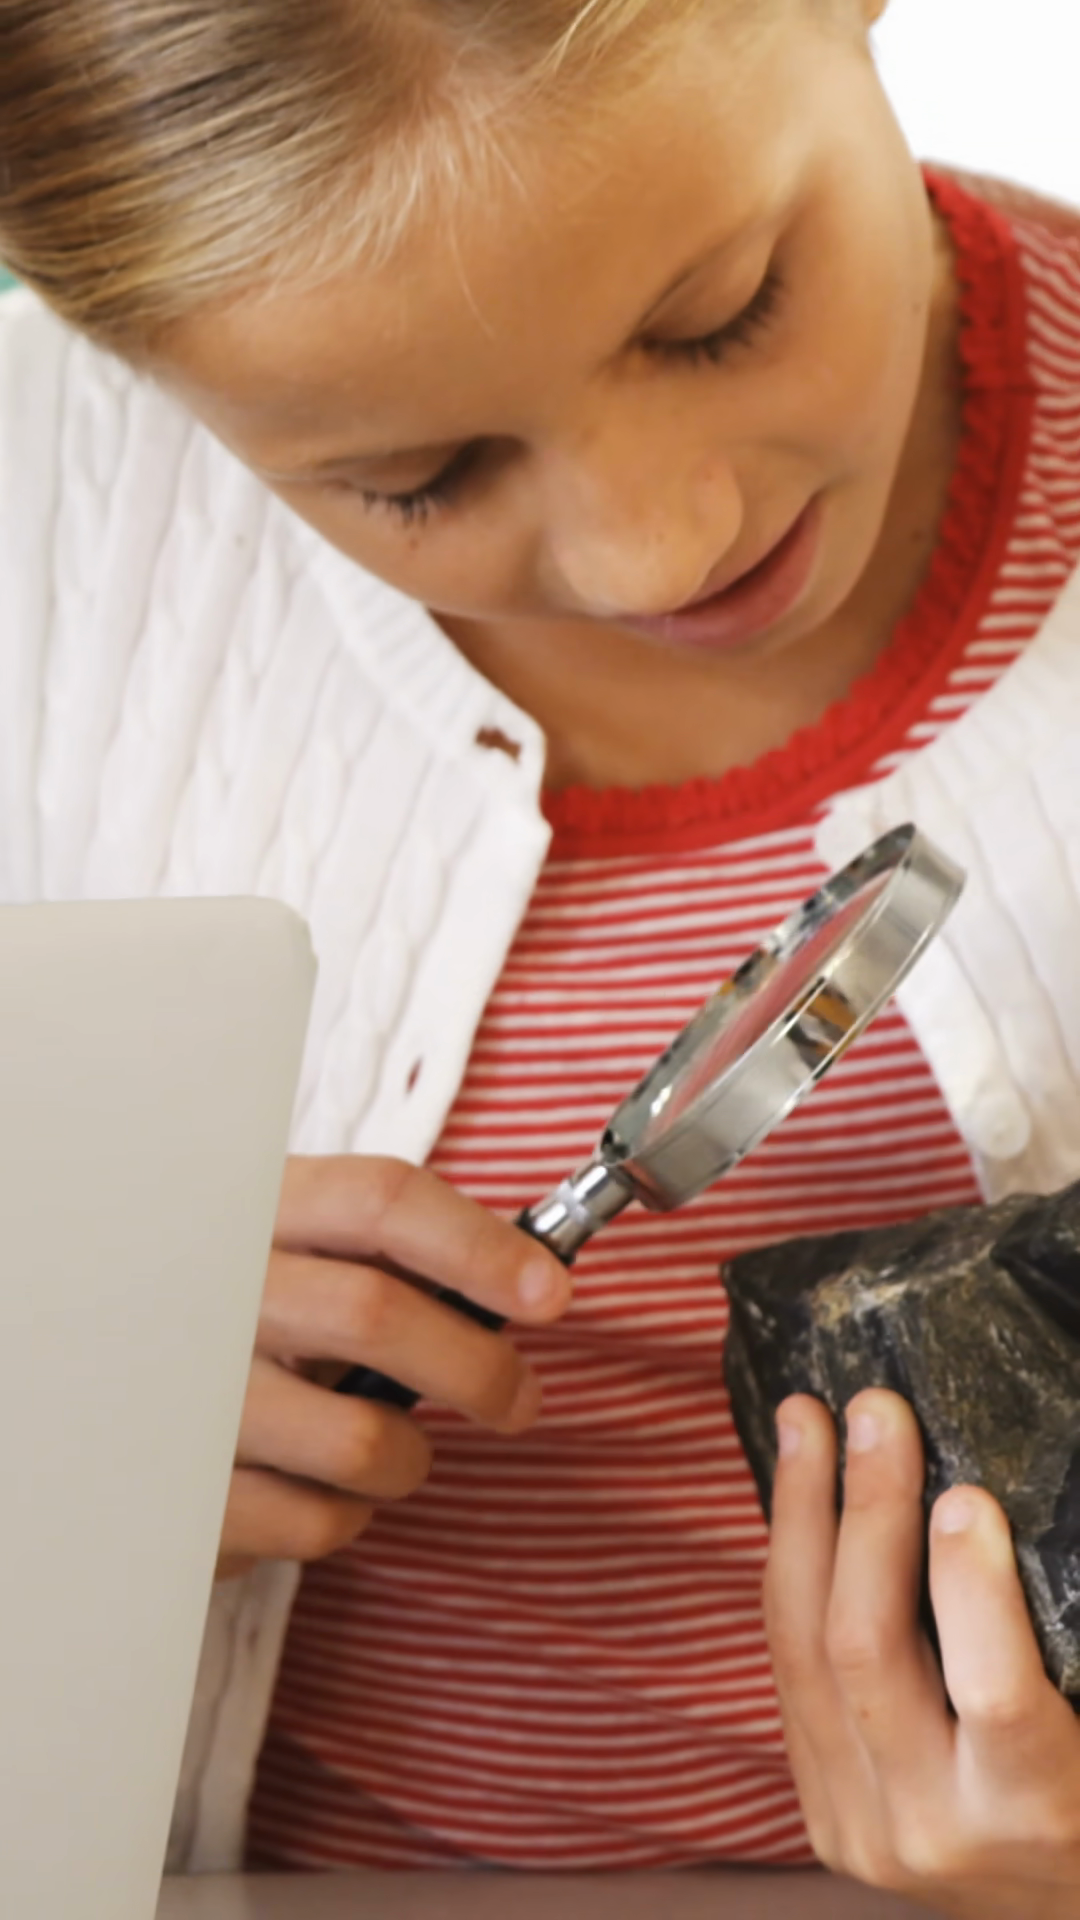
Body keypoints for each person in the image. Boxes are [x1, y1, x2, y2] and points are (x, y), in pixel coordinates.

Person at [2, 1, 1080, 1912]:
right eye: (416, 477)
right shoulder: (50, 541)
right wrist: (45, 1432)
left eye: (721, 312)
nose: (657, 550)